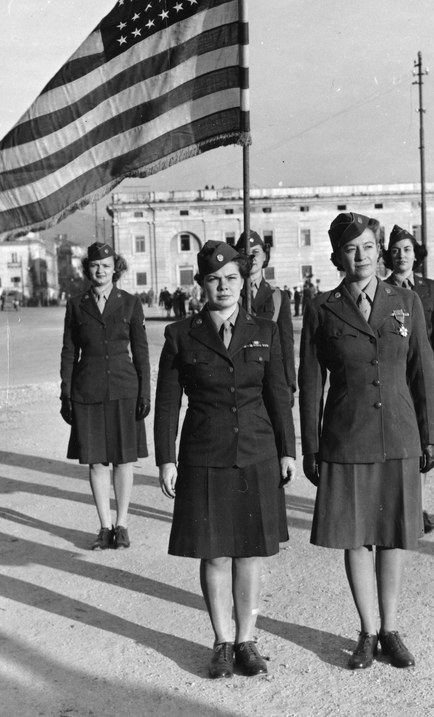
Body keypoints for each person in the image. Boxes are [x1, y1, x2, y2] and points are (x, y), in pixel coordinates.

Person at [299, 212, 434, 671]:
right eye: (350, 248)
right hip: (346, 437)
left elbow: (423, 370)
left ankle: (391, 629)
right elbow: (310, 383)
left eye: (367, 246)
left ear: (379, 250)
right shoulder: (321, 308)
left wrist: (431, 434)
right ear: (337, 255)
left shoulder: (406, 301)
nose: (360, 256)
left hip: (399, 434)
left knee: (394, 535)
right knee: (356, 538)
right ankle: (366, 630)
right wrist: (312, 446)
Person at [155, 240, 296, 679]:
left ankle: (247, 640)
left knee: (251, 552)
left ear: (243, 281)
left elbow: (277, 395)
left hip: (256, 452)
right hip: (205, 455)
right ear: (200, 284)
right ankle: (221, 641)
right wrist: (166, 458)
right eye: (213, 279)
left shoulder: (264, 330)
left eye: (231, 278)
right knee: (215, 555)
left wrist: (288, 451)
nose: (223, 286)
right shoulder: (181, 334)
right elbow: (167, 403)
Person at [60, 242, 151, 551]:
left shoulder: (130, 303)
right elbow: (69, 352)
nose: (100, 270)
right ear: (88, 269)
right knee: (97, 462)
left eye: (106, 264)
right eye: (95, 265)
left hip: (125, 390)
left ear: (116, 268)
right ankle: (104, 526)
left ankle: (122, 524)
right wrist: (66, 395)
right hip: (88, 391)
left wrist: (145, 392)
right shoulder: (76, 304)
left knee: (124, 460)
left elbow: (141, 352)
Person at [383, 225, 434, 534]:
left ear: (416, 254)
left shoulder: (430, 288)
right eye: (395, 250)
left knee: (426, 439)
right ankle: (402, 505)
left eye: (407, 249)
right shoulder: (381, 290)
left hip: (424, 375)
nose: (401, 256)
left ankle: (417, 505)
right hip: (397, 376)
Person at [234, 231, 296, 400]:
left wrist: (289, 382)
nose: (251, 258)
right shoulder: (230, 295)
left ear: (264, 257)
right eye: (244, 253)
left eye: (255, 252)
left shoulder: (278, 296)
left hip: (271, 380)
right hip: (238, 383)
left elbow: (286, 343)